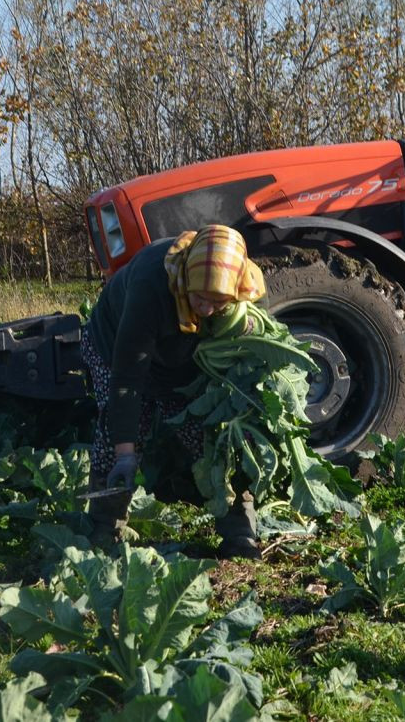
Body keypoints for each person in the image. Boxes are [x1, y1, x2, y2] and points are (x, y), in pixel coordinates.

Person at [80, 224, 267, 559]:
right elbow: (127, 378)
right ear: (186, 283)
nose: (208, 310)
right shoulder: (151, 287)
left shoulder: (240, 288)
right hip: (115, 349)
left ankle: (239, 530)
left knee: (212, 435)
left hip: (179, 360)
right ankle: (104, 529)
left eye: (218, 303)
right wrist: (126, 454)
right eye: (200, 299)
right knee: (120, 432)